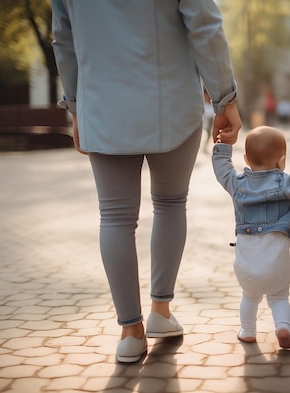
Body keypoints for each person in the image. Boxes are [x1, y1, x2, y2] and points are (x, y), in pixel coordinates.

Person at [51, 0, 242, 363]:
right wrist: (224, 99)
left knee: (115, 217)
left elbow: (64, 39)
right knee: (170, 203)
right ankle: (160, 311)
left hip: (101, 105)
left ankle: (130, 332)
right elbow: (204, 24)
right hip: (171, 101)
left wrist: (76, 106)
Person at [212, 126, 290, 349]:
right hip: (277, 263)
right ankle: (282, 327)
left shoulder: (237, 184)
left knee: (249, 296)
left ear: (245, 158)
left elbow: (222, 170)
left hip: (246, 265)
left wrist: (222, 145)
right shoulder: (287, 185)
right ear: (282, 161)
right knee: (279, 296)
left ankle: (248, 331)